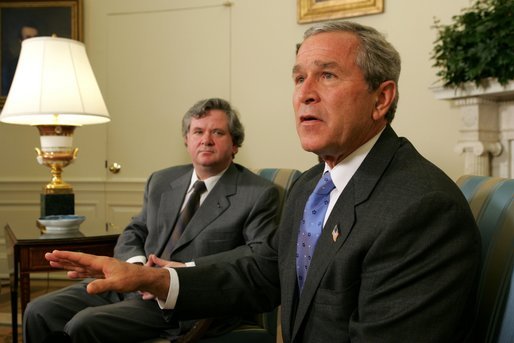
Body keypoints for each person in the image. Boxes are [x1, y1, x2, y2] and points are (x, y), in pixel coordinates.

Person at [46, 21, 482, 342]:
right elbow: (264, 272)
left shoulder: (421, 207)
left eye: (327, 75)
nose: (304, 93)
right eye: (298, 78)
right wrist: (154, 280)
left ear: (381, 98)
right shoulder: (311, 184)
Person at [24, 98, 280, 342]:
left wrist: (184, 269)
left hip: (182, 298)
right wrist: (134, 267)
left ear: (235, 144)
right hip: (128, 283)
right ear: (186, 140)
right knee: (39, 311)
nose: (206, 140)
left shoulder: (257, 194)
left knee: (83, 325)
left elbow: (257, 257)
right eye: (198, 132)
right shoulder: (161, 181)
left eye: (218, 133)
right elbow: (135, 230)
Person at [2, 24, 39, 96]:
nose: (33, 41)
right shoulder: (10, 66)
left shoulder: (46, 64)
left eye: (35, 37)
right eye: (28, 38)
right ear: (20, 41)